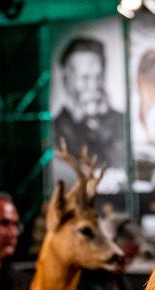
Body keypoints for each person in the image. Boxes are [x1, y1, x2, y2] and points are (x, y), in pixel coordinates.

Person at [52, 36, 127, 183]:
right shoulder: (56, 127)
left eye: (98, 77)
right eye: (85, 78)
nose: (93, 86)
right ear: (66, 78)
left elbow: (120, 162)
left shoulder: (118, 120)